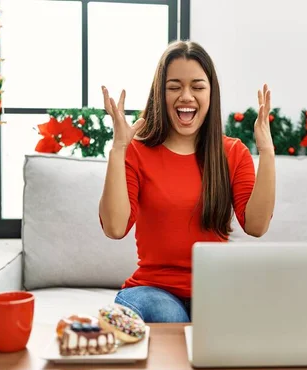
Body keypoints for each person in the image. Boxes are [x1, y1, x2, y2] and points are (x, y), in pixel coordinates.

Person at [99, 41, 276, 323]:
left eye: (197, 86)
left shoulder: (233, 153)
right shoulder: (136, 151)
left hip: (214, 290)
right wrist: (118, 149)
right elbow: (114, 227)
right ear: (160, 94)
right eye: (174, 87)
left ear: (210, 93)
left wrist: (266, 151)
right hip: (150, 291)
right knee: (169, 316)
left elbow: (256, 226)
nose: (186, 96)